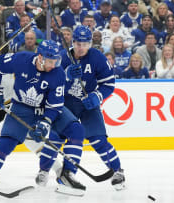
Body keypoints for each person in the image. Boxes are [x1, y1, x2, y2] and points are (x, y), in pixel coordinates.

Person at [0, 40, 85, 198]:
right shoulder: (21, 59)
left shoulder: (58, 73)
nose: (53, 65)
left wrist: (45, 123)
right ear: (40, 57)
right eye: (50, 61)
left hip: (47, 108)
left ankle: (67, 176)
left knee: (76, 129)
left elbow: (54, 106)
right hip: (22, 108)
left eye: (56, 61)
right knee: (5, 143)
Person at [60, 25, 125, 191]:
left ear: (90, 43)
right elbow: (52, 84)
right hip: (67, 103)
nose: (81, 47)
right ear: (72, 42)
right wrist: (66, 76)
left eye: (85, 43)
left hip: (89, 103)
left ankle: (117, 171)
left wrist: (98, 96)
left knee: (98, 139)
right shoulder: (62, 57)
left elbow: (108, 83)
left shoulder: (97, 57)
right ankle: (64, 173)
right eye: (78, 43)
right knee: (58, 138)